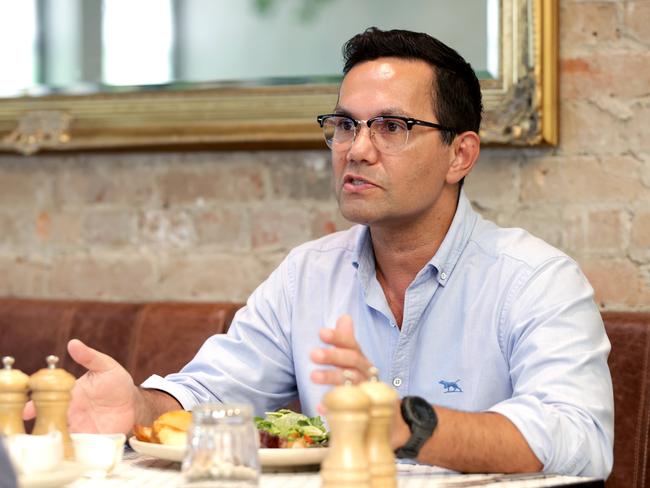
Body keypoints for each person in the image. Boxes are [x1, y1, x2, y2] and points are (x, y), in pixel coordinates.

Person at [24, 28, 613, 478]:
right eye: (344, 125)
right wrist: (138, 406)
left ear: (460, 154)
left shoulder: (536, 279)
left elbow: (580, 437)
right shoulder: (308, 273)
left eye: (391, 127)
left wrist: (405, 424)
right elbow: (217, 392)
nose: (356, 150)